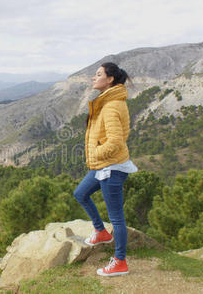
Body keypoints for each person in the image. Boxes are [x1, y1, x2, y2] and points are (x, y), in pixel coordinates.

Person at [73, 62, 138, 276]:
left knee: (117, 217)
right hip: (103, 165)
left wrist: (95, 153)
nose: (93, 78)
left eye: (98, 74)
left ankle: (120, 261)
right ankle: (101, 232)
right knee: (80, 193)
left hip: (111, 167)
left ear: (110, 79)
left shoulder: (111, 106)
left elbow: (116, 143)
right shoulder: (108, 101)